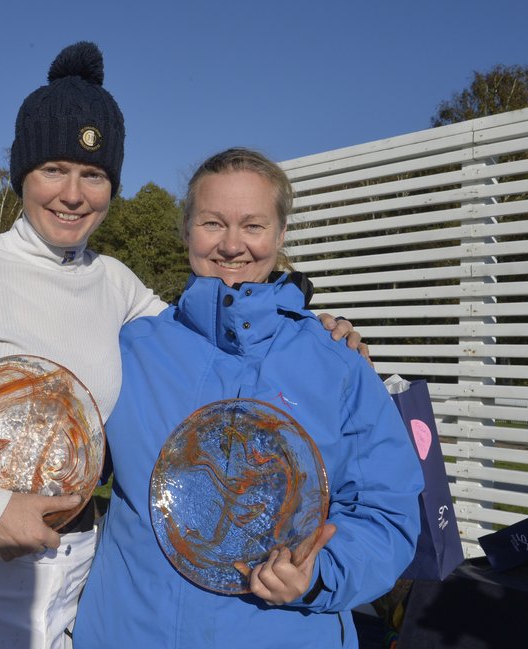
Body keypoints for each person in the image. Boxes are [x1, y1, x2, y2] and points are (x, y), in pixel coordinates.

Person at [0, 44, 359, 649]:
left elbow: (224, 336)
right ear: (22, 174)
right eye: (54, 169)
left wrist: (315, 327)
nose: (74, 194)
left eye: (94, 174)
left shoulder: (117, 285)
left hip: (75, 569)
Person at [73, 148, 423, 649]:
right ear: (187, 229)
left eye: (253, 226)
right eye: (213, 222)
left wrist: (319, 573)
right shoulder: (132, 349)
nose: (232, 245)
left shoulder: (336, 364)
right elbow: (67, 457)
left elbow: (387, 513)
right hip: (130, 631)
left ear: (280, 235)